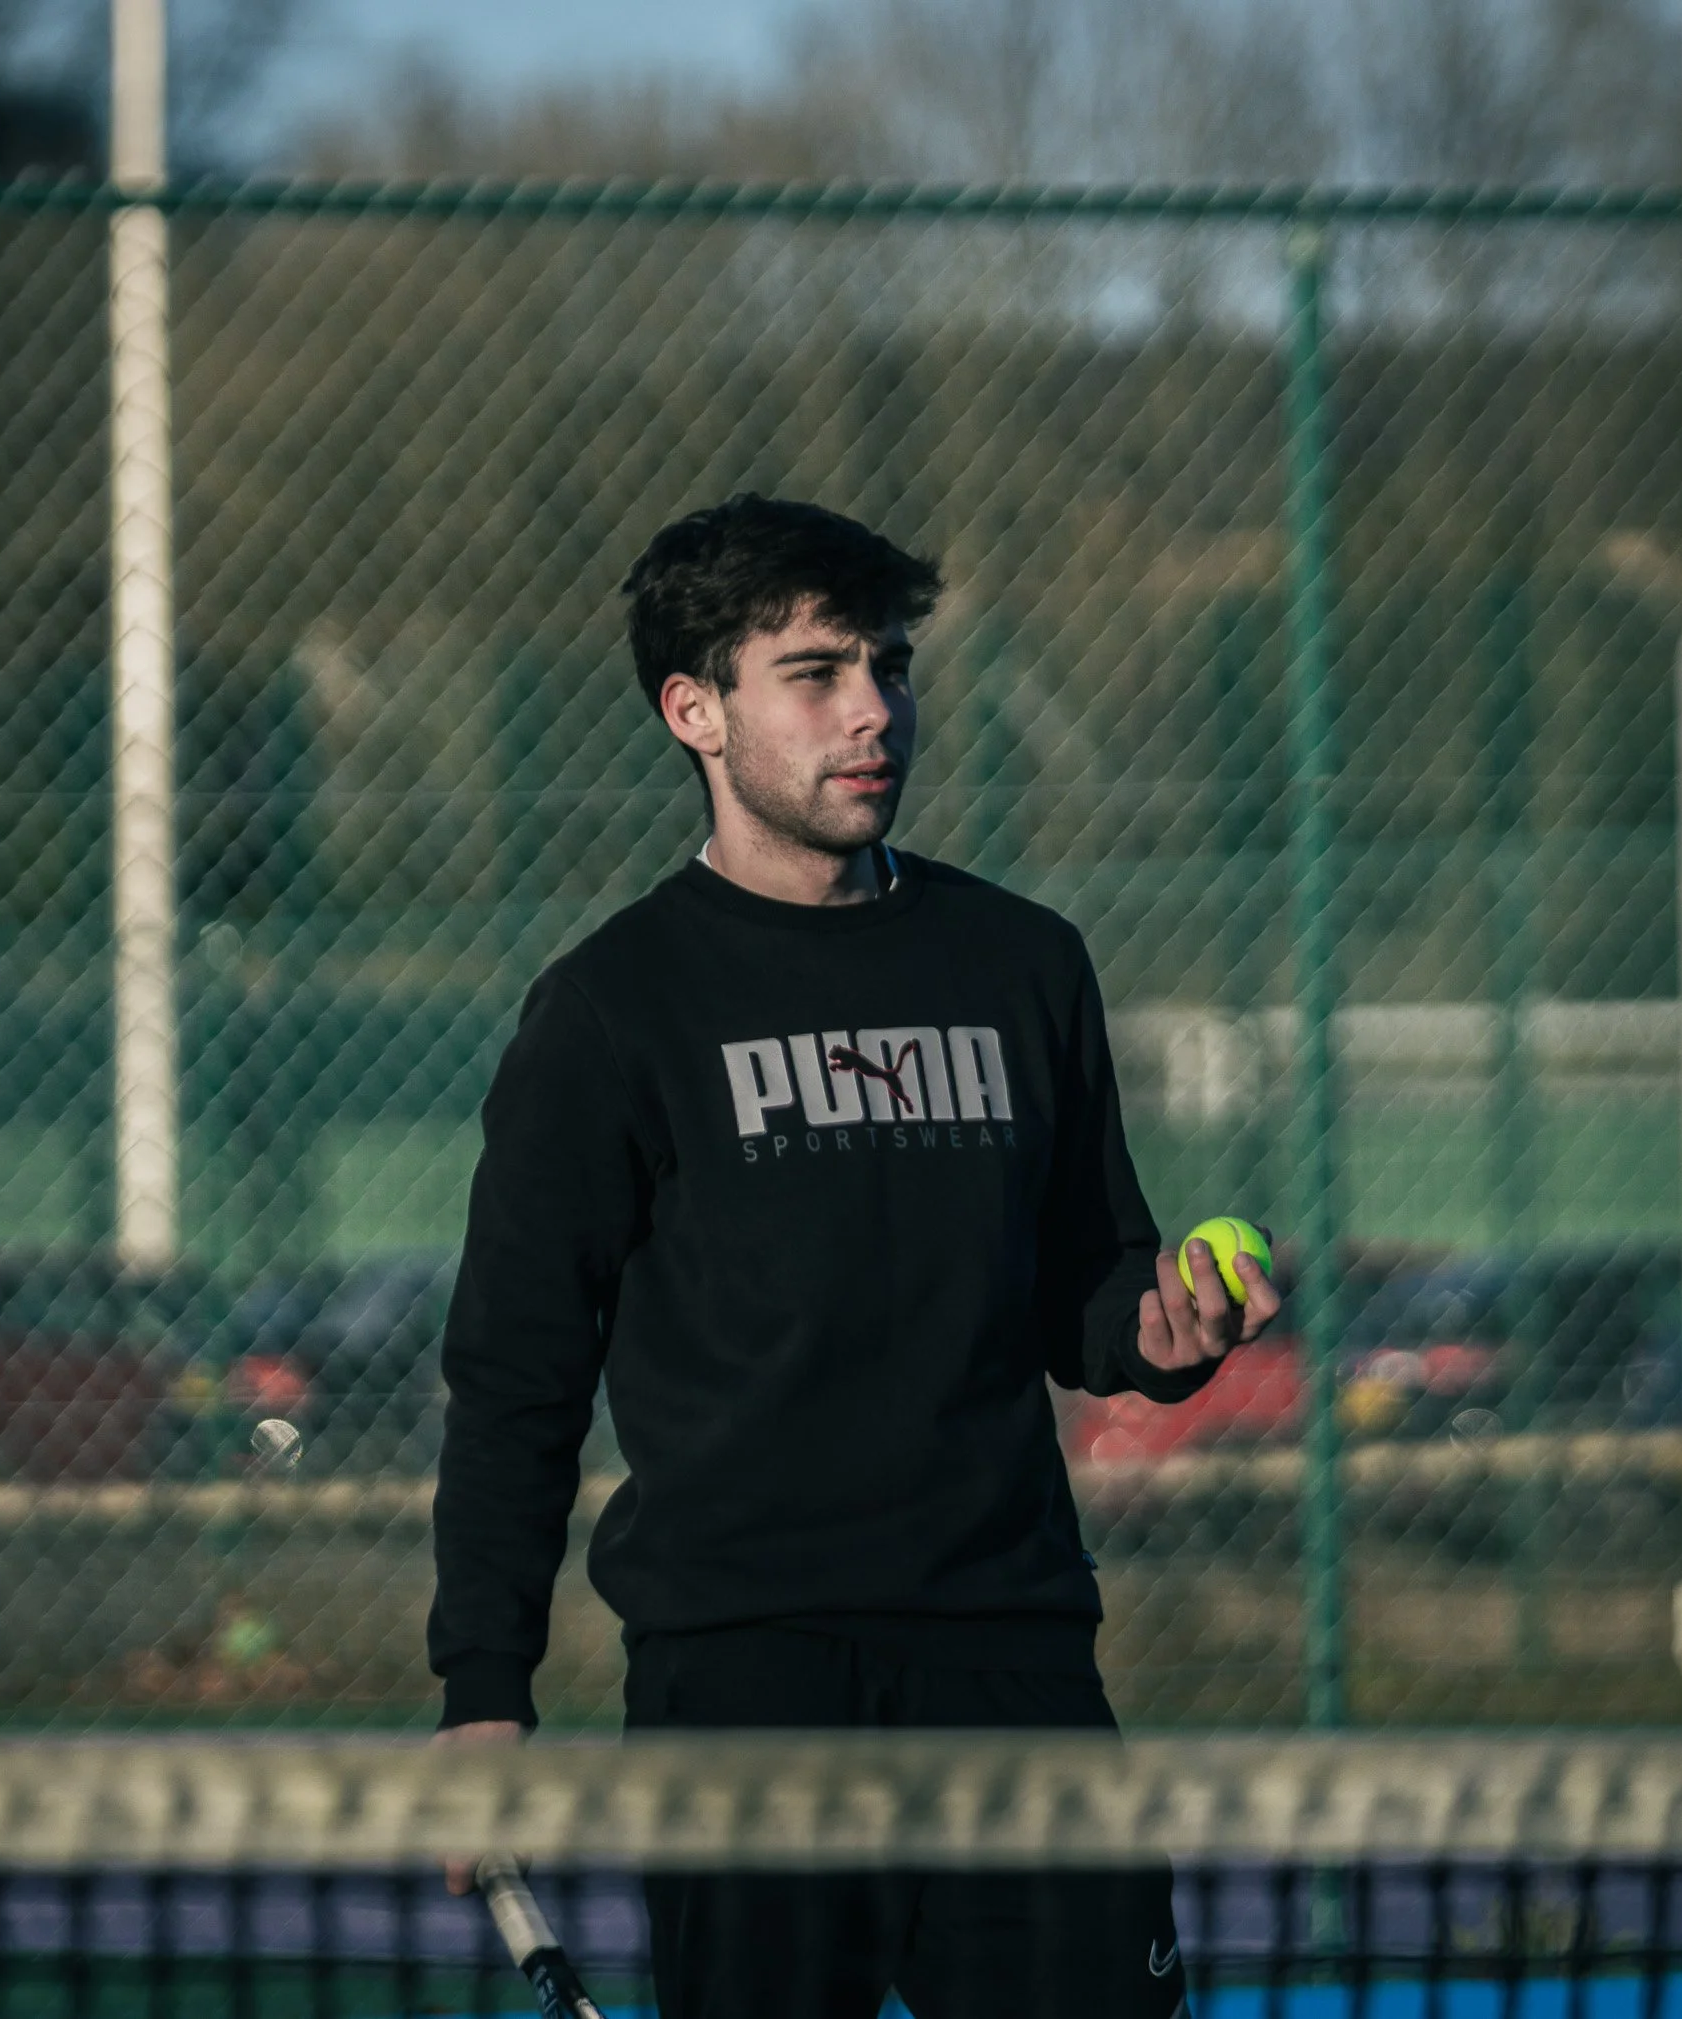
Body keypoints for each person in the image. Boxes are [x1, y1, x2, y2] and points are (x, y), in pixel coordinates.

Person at [429, 494, 1282, 2017]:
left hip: (1010, 1661)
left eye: (888, 665)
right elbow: (516, 1375)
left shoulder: (1024, 961)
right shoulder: (613, 1008)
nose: (873, 710)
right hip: (746, 1685)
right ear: (696, 709)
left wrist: (1166, 1330)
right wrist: (484, 1694)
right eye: (815, 673)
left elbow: (1092, 1288)